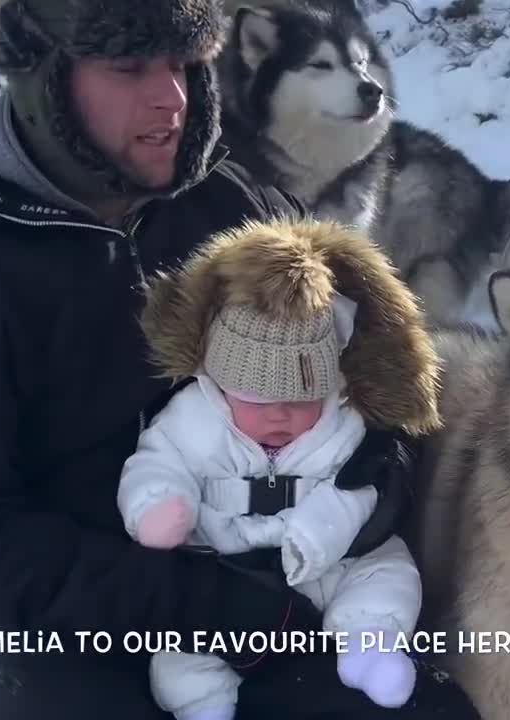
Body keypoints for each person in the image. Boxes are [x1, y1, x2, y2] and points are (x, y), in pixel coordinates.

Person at [0, 0, 481, 718]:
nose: (171, 97)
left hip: (269, 566)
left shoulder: (225, 196)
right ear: (42, 79)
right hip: (67, 628)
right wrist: (206, 608)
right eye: (128, 67)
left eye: (182, 64)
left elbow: (362, 359)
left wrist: (378, 468)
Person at [117, 218, 439, 720]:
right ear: (218, 383)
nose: (279, 415)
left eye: (298, 399)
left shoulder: (343, 421)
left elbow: (359, 487)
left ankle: (369, 651)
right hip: (224, 576)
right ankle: (204, 706)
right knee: (182, 646)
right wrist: (160, 503)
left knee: (387, 574)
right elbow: (156, 462)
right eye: (256, 400)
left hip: (327, 563)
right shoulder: (193, 420)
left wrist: (318, 535)